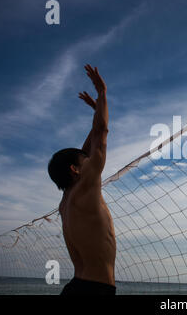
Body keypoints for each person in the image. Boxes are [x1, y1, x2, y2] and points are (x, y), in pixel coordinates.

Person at [48, 65, 116, 295]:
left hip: (77, 286)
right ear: (75, 170)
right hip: (94, 290)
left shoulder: (67, 200)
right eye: (84, 162)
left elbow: (87, 147)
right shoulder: (84, 187)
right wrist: (103, 93)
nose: (90, 162)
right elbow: (102, 133)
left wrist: (97, 110)